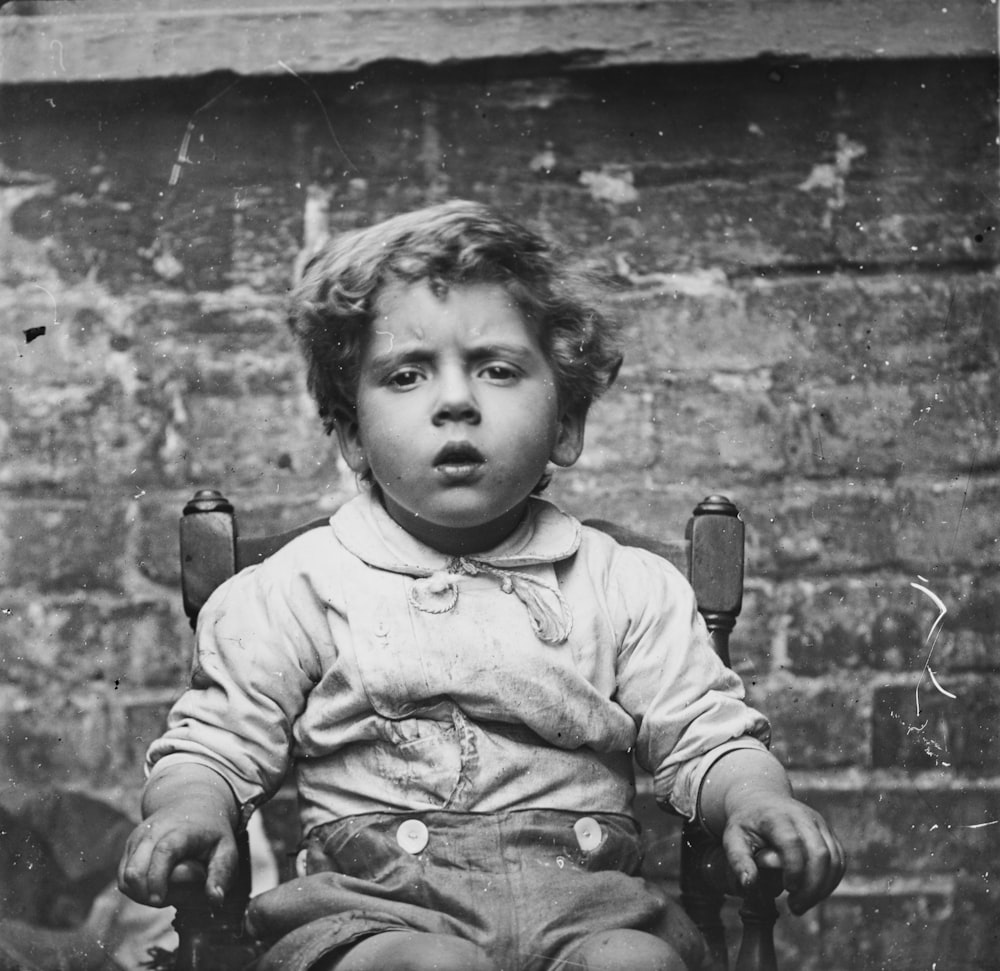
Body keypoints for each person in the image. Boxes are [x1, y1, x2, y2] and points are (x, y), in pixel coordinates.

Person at [118, 200, 845, 971]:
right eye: (407, 374)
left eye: (497, 369)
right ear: (352, 435)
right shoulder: (298, 587)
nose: (457, 400)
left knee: (637, 965)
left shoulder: (624, 585)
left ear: (566, 422)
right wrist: (192, 807)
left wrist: (759, 798)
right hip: (373, 914)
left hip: (587, 905)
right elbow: (215, 744)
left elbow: (709, 736)